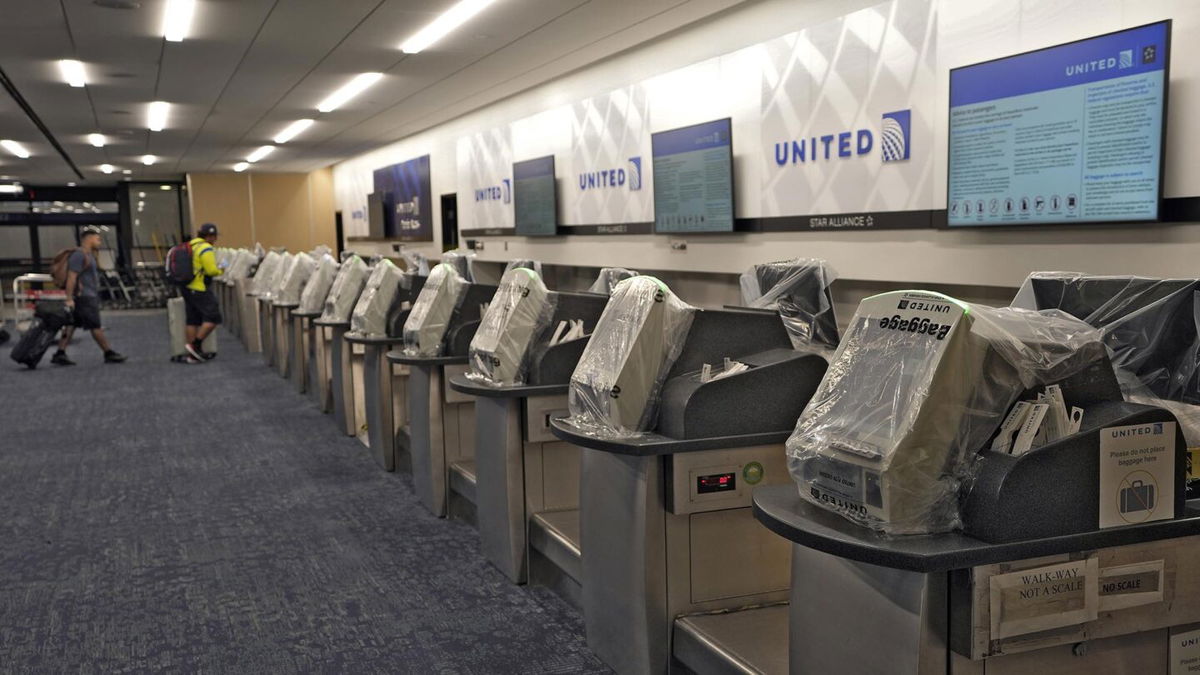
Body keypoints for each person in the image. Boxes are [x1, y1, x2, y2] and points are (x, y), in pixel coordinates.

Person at [51, 227, 127, 365]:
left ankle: (60, 353)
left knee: (71, 324)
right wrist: (68, 298)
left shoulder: (90, 255)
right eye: (97, 238)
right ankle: (108, 352)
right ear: (89, 238)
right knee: (95, 325)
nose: (99, 241)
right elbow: (71, 277)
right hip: (85, 297)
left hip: (86, 295)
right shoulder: (79, 255)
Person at [181, 222, 224, 362]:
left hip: (187, 287)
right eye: (215, 236)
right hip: (200, 287)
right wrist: (222, 269)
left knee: (192, 320)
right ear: (210, 236)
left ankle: (192, 355)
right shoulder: (205, 248)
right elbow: (211, 270)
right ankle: (195, 345)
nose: (215, 239)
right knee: (213, 317)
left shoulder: (191, 245)